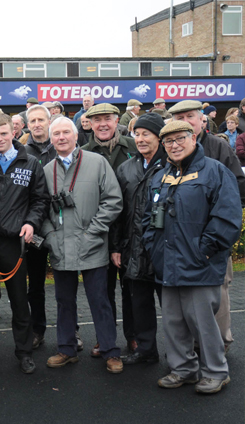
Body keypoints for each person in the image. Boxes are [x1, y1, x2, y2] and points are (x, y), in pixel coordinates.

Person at [142, 121, 241, 394]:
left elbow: (228, 217)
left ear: (193, 137)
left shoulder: (215, 171)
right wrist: (154, 248)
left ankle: (216, 372)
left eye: (180, 138)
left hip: (200, 264)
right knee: (174, 323)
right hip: (168, 264)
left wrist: (205, 250)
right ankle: (183, 369)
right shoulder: (160, 176)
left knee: (203, 324)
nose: (174, 145)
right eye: (168, 141)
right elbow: (148, 219)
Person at [41, 117, 123, 374]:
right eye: (57, 134)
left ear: (76, 136)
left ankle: (110, 351)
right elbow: (40, 210)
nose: (62, 137)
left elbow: (113, 200)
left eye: (67, 132)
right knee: (64, 301)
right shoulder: (46, 171)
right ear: (51, 139)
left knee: (100, 300)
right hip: (60, 247)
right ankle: (66, 349)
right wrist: (50, 237)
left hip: (92, 245)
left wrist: (94, 232)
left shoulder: (97, 163)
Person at [0, 113, 47, 379]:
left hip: (16, 244)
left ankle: (24, 353)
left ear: (13, 132)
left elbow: (40, 200)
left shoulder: (31, 163)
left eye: (4, 133)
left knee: (19, 302)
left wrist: (31, 223)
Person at [168, 100, 245, 352]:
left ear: (203, 120)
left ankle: (220, 343)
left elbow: (238, 187)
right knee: (186, 298)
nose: (185, 120)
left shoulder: (218, 147)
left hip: (213, 241)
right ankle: (193, 345)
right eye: (179, 116)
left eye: (190, 115)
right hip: (181, 241)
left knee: (218, 293)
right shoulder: (169, 149)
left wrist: (213, 239)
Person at [82, 103, 138, 357]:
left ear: (117, 121)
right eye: (97, 120)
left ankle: (134, 336)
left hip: (130, 230)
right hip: (100, 232)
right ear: (90, 124)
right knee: (102, 291)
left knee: (132, 288)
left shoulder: (134, 147)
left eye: (107, 119)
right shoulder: (82, 153)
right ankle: (105, 337)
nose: (102, 124)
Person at [111, 113, 166, 365]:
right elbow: (118, 213)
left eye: (147, 134)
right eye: (137, 134)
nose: (141, 139)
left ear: (159, 137)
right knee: (140, 305)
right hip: (133, 249)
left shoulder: (172, 165)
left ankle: (183, 353)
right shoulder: (126, 168)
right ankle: (146, 351)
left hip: (165, 251)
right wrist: (116, 247)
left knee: (173, 309)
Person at [18, 104, 56, 350]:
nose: (37, 124)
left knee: (67, 283)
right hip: (34, 230)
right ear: (27, 124)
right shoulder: (20, 151)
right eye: (32, 120)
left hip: (61, 225)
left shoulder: (61, 146)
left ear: (49, 121)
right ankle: (37, 329)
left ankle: (71, 331)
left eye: (41, 119)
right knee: (35, 285)